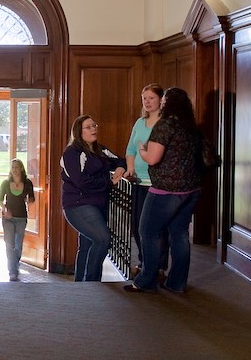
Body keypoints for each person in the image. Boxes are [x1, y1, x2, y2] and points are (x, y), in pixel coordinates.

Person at [125, 87, 205, 294]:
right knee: (179, 235)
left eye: (161, 100)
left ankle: (146, 281)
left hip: (166, 189)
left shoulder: (165, 125)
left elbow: (152, 158)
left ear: (166, 102)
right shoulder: (191, 127)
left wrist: (142, 150)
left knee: (148, 232)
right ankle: (177, 283)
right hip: (191, 188)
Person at [60, 114, 126, 281]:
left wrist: (119, 168)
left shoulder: (100, 149)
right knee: (103, 239)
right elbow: (81, 181)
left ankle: (80, 286)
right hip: (78, 204)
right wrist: (109, 182)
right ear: (78, 132)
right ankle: (92, 283)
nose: (93, 129)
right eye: (88, 127)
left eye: (94, 125)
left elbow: (120, 160)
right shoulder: (72, 152)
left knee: (87, 245)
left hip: (98, 204)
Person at [124, 83, 168, 280]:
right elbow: (131, 149)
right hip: (138, 181)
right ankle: (144, 262)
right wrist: (130, 168)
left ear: (160, 99)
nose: (147, 102)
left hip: (157, 182)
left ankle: (158, 267)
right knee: (137, 226)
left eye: (151, 98)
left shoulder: (165, 122)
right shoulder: (140, 122)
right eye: (144, 99)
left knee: (156, 228)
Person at [0, 158, 35, 281]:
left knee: (18, 245)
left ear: (21, 169)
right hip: (8, 218)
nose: (14, 170)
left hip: (21, 217)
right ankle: (12, 271)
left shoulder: (28, 183)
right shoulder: (5, 183)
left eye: (17, 167)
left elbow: (32, 199)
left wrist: (30, 204)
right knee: (9, 244)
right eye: (12, 167)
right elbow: (0, 199)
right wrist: (5, 210)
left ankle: (15, 262)